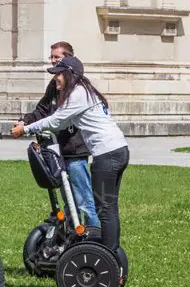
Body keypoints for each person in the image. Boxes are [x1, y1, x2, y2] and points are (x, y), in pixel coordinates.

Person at [12, 55, 129, 251]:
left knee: (104, 209)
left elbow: (56, 121)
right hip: (118, 149)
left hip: (106, 153)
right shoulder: (85, 92)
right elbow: (62, 122)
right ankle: (112, 252)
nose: (55, 78)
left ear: (69, 74)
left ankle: (107, 256)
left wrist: (25, 129)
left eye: (58, 74)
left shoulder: (77, 94)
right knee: (110, 208)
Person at [19, 41, 100, 232]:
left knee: (83, 201)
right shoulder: (54, 85)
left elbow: (56, 120)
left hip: (75, 151)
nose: (53, 61)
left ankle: (94, 239)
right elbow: (42, 110)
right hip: (58, 152)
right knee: (68, 201)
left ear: (69, 60)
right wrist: (25, 122)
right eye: (52, 57)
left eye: (57, 57)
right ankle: (73, 239)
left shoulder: (77, 88)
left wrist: (28, 129)